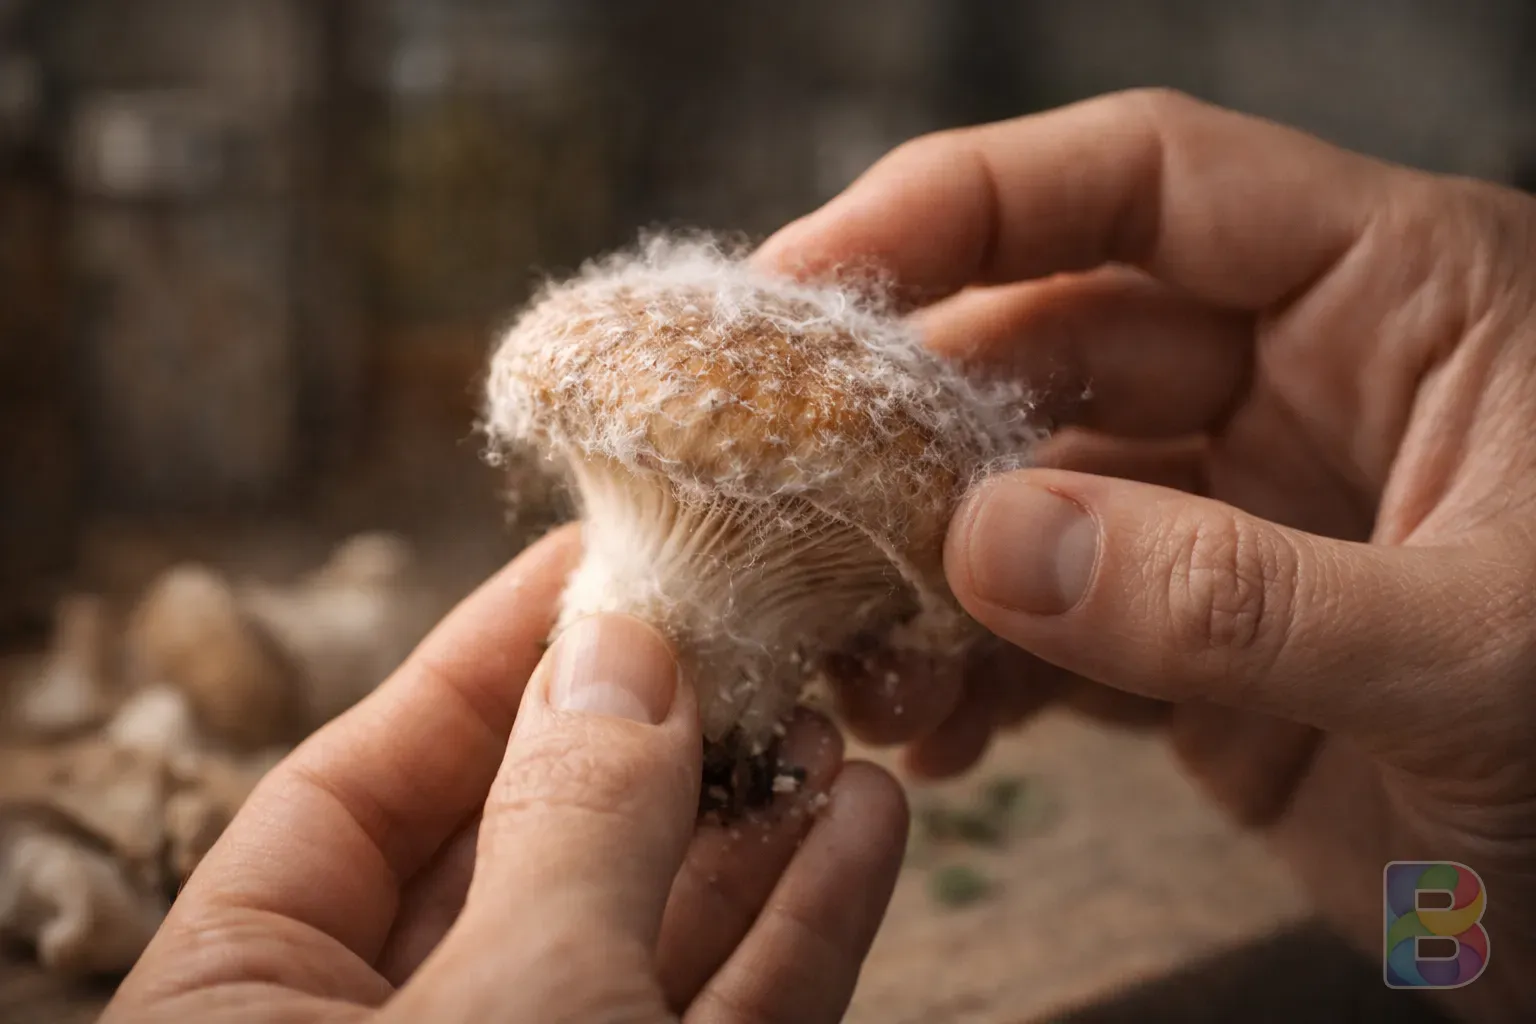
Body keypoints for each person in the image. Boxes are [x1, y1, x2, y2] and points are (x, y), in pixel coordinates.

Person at [103, 89, 1536, 1022]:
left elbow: (1470, 945)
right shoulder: (1440, 856)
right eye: (1448, 930)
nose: (1446, 928)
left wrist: (1483, 938)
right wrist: (1473, 939)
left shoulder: (1447, 867)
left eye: (1449, 933)